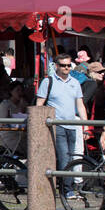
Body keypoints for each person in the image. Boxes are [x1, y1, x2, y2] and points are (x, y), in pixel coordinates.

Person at [35, 54, 87, 200]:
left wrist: (86, 125)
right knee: (64, 158)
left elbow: (80, 105)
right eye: (63, 65)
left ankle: (67, 187)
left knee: (72, 158)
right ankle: (67, 190)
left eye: (69, 65)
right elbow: (39, 103)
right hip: (57, 125)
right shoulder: (48, 81)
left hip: (73, 125)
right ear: (56, 66)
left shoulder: (75, 82)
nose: (66, 68)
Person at [0, 81, 28, 154]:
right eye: (17, 90)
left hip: (22, 133)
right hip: (9, 133)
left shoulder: (24, 104)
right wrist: (20, 110)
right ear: (11, 91)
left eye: (21, 90)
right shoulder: (5, 104)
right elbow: (3, 122)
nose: (20, 93)